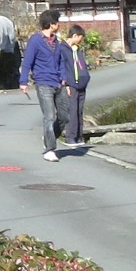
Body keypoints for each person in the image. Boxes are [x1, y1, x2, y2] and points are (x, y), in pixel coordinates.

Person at [19, 9, 70, 162]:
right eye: (57, 22)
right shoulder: (35, 40)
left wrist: (64, 79)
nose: (59, 25)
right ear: (51, 24)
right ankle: (50, 149)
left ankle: (49, 137)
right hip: (43, 82)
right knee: (49, 116)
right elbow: (27, 61)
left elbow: (62, 62)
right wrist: (23, 81)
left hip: (58, 83)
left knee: (64, 116)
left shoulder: (57, 42)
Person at [60, 24, 92, 151]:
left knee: (79, 110)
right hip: (71, 84)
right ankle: (70, 137)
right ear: (74, 36)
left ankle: (79, 136)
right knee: (72, 110)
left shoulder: (77, 50)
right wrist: (65, 83)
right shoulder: (62, 49)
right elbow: (62, 67)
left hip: (81, 84)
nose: (81, 41)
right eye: (80, 38)